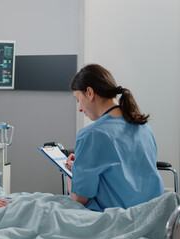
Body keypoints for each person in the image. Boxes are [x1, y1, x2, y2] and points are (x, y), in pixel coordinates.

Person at [65, 64, 164, 212]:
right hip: (153, 214)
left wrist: (70, 172)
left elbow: (80, 198)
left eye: (78, 99)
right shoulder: (143, 126)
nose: (79, 108)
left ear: (90, 93)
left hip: (117, 220)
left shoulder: (92, 134)